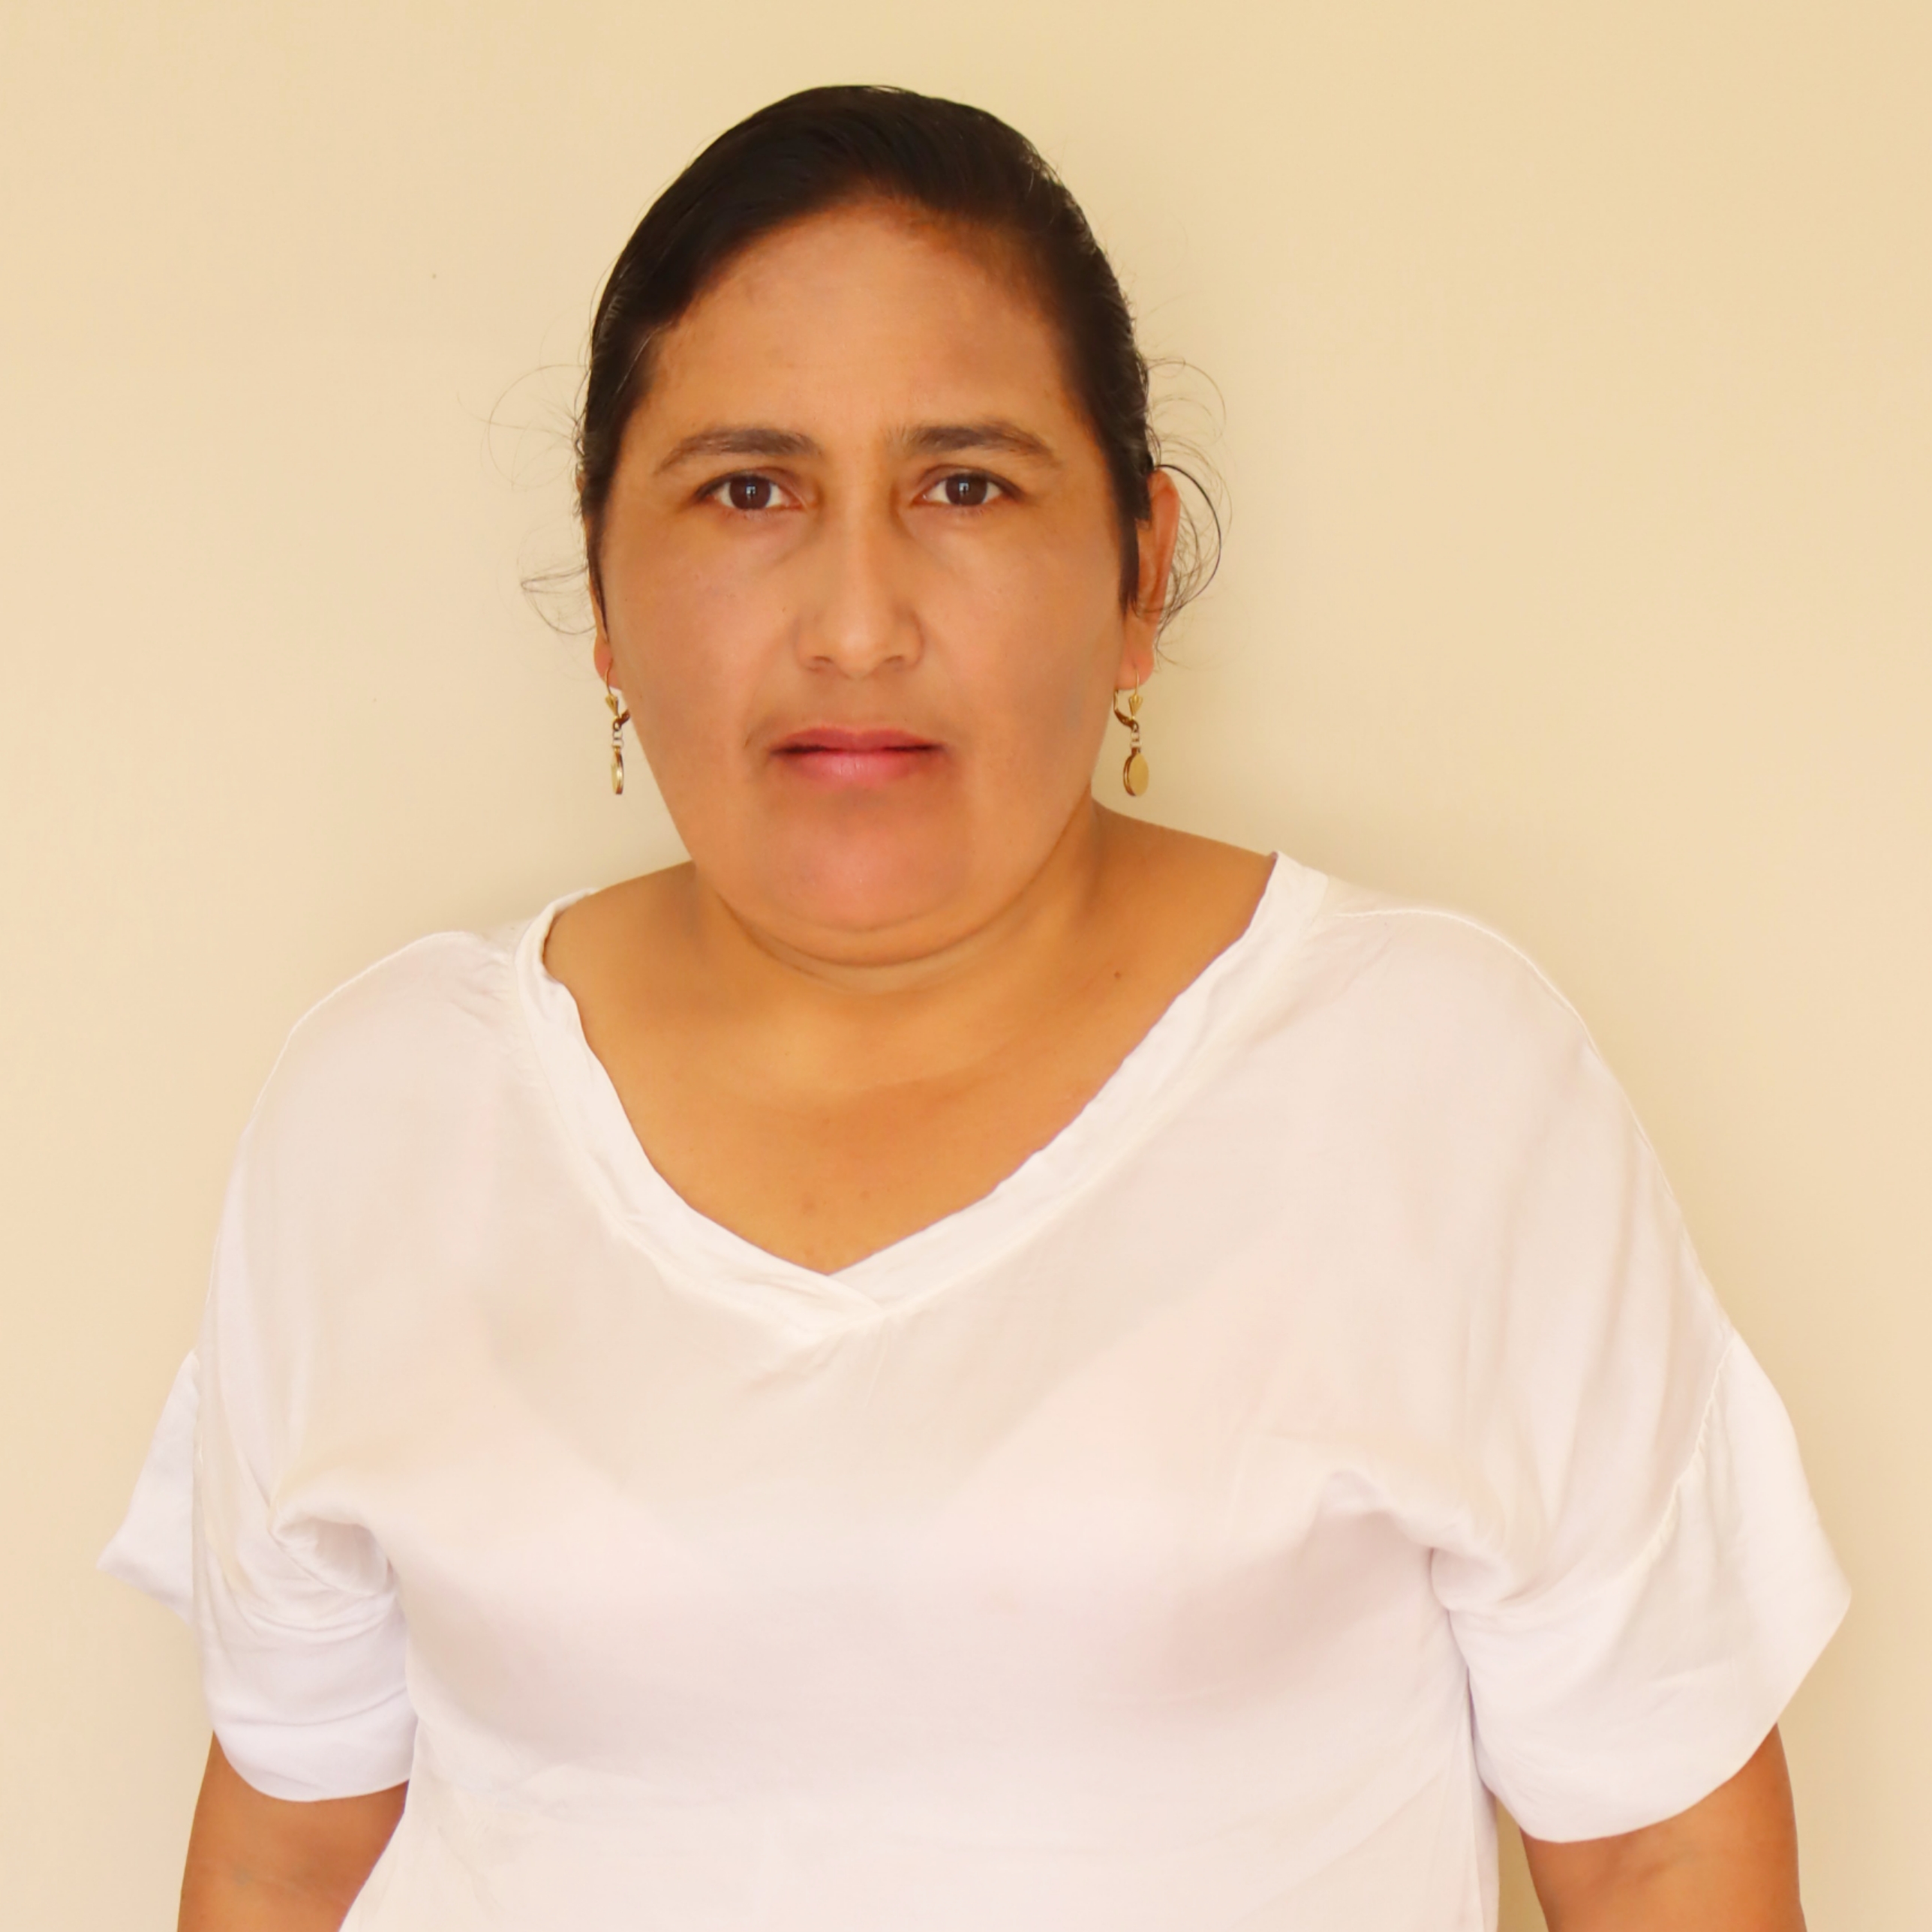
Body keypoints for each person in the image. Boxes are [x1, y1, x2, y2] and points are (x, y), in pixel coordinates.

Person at [103, 85, 1846, 1932]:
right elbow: (289, 1848)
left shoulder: (1434, 1081)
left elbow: (1658, 1852)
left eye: (964, 485)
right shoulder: (381, 1109)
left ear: (1139, 568)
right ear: (604, 581)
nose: (857, 623)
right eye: (748, 488)